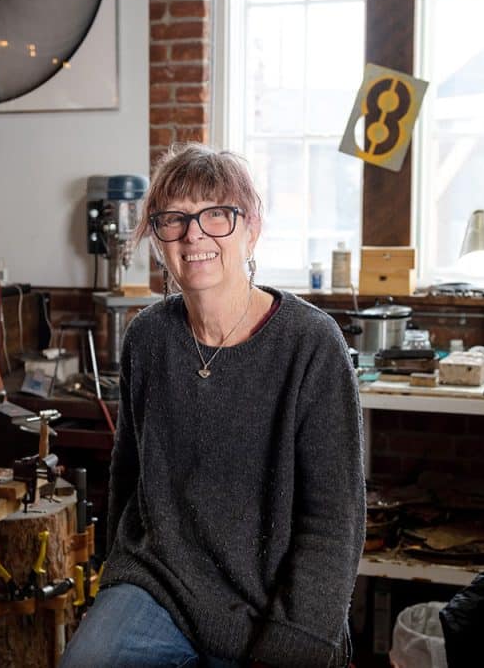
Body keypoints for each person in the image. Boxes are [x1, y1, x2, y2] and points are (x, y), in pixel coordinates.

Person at [61, 143, 365, 667]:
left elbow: (334, 519)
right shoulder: (148, 338)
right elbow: (127, 473)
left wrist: (298, 639)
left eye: (216, 215)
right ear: (157, 238)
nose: (194, 235)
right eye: (173, 219)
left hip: (269, 599)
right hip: (160, 585)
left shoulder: (311, 343)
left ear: (252, 228)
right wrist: (115, 579)